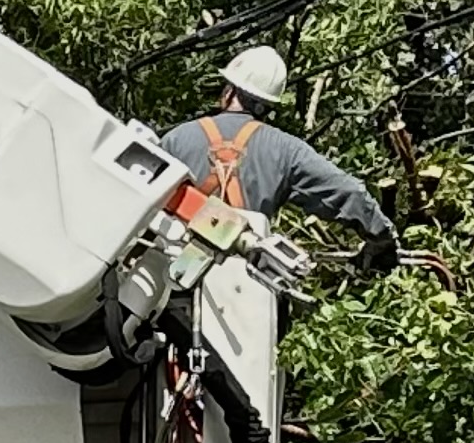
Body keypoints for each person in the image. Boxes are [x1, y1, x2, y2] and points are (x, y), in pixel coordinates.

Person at [160, 46, 400, 274]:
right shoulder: (285, 150)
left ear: (228, 91)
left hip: (169, 274)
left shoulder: (176, 139)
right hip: (241, 285)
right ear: (267, 106)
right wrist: (381, 238)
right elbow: (349, 192)